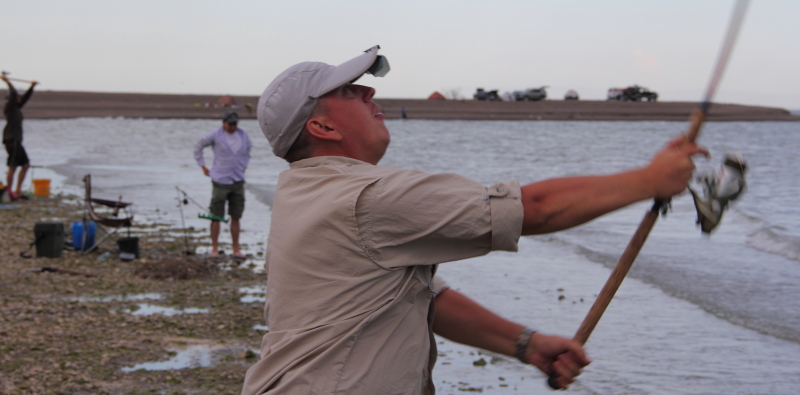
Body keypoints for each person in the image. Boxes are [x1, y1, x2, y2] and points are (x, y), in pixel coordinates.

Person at [242, 46, 706, 394]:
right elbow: (534, 209)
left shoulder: (303, 192)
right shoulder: (366, 197)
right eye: (349, 90)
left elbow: (426, 296)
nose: (369, 91)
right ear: (322, 127)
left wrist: (527, 344)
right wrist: (649, 180)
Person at [193, 110, 252, 258]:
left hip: (238, 180)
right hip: (220, 180)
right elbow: (198, 146)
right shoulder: (215, 134)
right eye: (230, 124)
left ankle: (236, 249)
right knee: (216, 216)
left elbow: (248, 150)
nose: (233, 127)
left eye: (235, 124)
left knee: (236, 215)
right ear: (223, 123)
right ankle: (214, 249)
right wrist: (202, 166)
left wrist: (244, 165)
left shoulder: (243, 134)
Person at [2, 76, 37, 201]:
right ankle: (9, 193)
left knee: (25, 165)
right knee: (13, 166)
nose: (20, 98)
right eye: (18, 97)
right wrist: (8, 82)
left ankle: (18, 191)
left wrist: (32, 87)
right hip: (11, 141)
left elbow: (25, 98)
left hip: (17, 141)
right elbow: (13, 93)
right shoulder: (10, 108)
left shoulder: (17, 108)